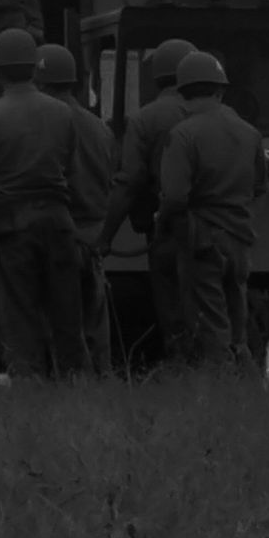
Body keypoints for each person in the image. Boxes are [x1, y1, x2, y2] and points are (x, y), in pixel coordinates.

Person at [0, 27, 88, 377]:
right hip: (59, 222)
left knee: (18, 312)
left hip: (12, 226)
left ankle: (29, 383)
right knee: (66, 310)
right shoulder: (63, 114)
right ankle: (75, 383)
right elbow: (73, 172)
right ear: (34, 68)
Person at [157, 49, 269, 370]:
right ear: (220, 89)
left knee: (210, 324)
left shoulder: (183, 134)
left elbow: (175, 196)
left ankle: (221, 385)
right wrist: (243, 222)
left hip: (202, 241)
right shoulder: (249, 133)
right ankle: (248, 382)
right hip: (240, 240)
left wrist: (162, 224)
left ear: (182, 91)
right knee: (238, 323)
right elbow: (261, 188)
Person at [93, 37, 196, 366]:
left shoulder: (145, 119)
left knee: (172, 307)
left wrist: (104, 237)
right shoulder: (224, 118)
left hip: (166, 229)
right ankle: (224, 373)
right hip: (220, 231)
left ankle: (181, 368)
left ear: (156, 76)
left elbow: (129, 182)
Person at [37, 42, 115, 374]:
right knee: (94, 322)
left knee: (54, 321)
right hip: (91, 238)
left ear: (39, 82)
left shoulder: (43, 124)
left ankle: (58, 385)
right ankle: (100, 383)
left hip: (57, 237)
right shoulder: (100, 128)